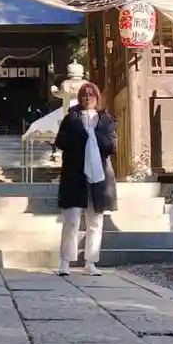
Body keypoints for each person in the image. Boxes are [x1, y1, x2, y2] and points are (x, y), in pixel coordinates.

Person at [54, 81, 116, 276]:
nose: (87, 97)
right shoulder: (71, 119)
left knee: (95, 222)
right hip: (75, 174)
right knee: (71, 221)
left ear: (97, 97)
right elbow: (60, 142)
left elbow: (112, 146)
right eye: (84, 94)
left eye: (91, 94)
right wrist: (80, 138)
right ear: (79, 97)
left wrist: (95, 137)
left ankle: (91, 262)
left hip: (99, 176)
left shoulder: (105, 120)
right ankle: (65, 261)